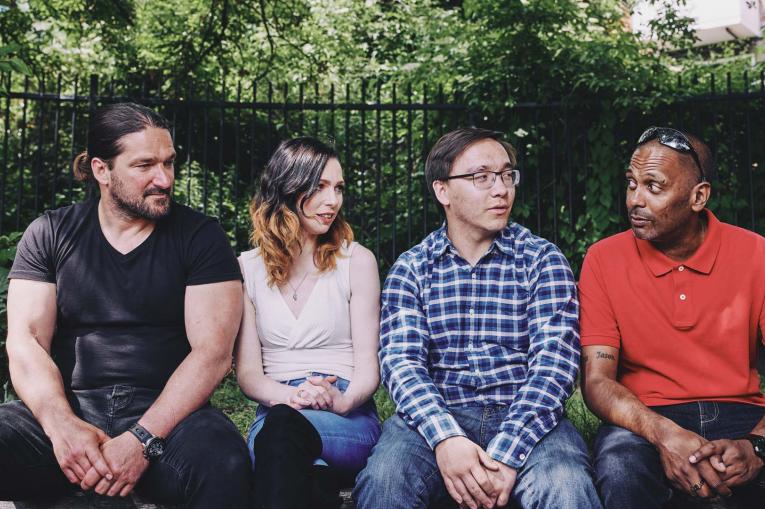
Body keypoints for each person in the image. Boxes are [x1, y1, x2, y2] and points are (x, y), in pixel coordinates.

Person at [0, 103, 251, 507]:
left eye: (169, 163)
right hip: (70, 409)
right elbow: (26, 341)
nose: (164, 179)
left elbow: (213, 354)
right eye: (145, 165)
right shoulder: (49, 232)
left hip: (171, 421)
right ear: (102, 170)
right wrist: (62, 426)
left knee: (224, 461)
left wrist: (143, 438)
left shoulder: (202, 237)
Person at [354, 127, 602, 509]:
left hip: (528, 416)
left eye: (506, 175)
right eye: (481, 177)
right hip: (437, 413)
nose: (501, 189)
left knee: (566, 486)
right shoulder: (413, 268)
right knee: (385, 482)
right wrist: (446, 438)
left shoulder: (541, 260)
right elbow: (401, 364)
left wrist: (507, 451)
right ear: (442, 190)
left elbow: (555, 366)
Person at [580, 126, 765, 508]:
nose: (635, 200)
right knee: (619, 467)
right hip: (645, 417)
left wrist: (757, 445)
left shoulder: (756, 254)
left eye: (654, 186)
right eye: (631, 184)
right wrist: (664, 434)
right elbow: (597, 381)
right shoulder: (603, 259)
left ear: (699, 196)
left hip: (741, 414)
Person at [235, 137, 381, 509]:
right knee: (298, 459)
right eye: (319, 187)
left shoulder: (357, 261)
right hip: (277, 409)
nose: (333, 200)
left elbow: (369, 369)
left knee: (282, 437)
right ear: (287, 187)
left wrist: (341, 400)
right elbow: (249, 375)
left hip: (346, 421)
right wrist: (292, 396)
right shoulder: (247, 269)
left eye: (338, 188)